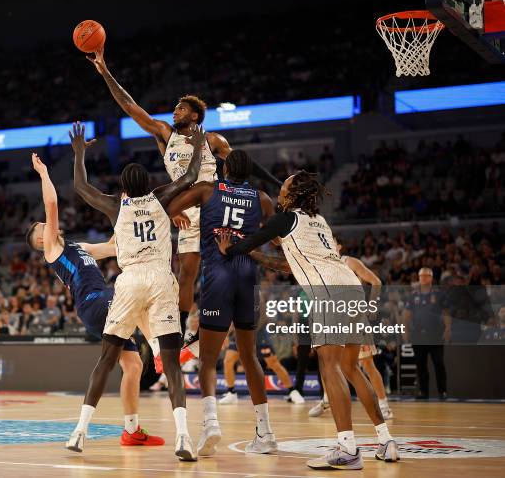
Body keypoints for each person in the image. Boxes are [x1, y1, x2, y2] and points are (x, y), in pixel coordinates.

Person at [86, 49, 281, 341]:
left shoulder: (214, 140)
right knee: (187, 273)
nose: (174, 111)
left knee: (230, 265)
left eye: (180, 108)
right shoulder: (165, 133)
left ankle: (287, 256)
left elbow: (243, 165)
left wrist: (274, 183)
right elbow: (130, 106)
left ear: (194, 114)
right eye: (175, 108)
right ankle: (179, 330)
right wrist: (105, 72)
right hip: (187, 208)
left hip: (217, 202)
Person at [216, 170, 399, 469]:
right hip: (351, 288)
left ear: (292, 194)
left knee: (330, 368)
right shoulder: (319, 222)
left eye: (285, 186)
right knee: (352, 368)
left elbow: (247, 245)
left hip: (328, 292)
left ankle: (347, 448)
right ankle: (386, 440)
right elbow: (289, 265)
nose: (280, 190)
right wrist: (261, 254)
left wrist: (230, 249)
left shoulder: (285, 220)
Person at [72, 121, 205, 461]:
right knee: (171, 364)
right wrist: (199, 143)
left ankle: (79, 432)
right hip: (160, 279)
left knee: (106, 359)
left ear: (124, 188)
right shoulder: (161, 199)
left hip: (129, 281)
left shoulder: (117, 206)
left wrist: (79, 153)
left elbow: (81, 187)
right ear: (148, 183)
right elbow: (190, 177)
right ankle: (184, 438)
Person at [25, 151, 164, 452]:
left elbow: (116, 246)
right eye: (41, 228)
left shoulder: (78, 247)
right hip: (94, 302)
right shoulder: (52, 250)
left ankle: (124, 431)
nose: (46, 226)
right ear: (40, 241)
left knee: (132, 365)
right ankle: (159, 349)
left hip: (100, 307)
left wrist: (130, 206)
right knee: (134, 289)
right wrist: (44, 173)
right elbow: (51, 204)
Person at [166, 149, 277, 456]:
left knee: (208, 359)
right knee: (249, 356)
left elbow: (169, 206)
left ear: (225, 169)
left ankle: (211, 423)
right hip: (247, 281)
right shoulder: (263, 199)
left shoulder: (207, 189)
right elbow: (278, 235)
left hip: (218, 278)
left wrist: (177, 213)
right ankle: (265, 432)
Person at [309, 237, 394, 419]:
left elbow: (376, 282)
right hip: (333, 319)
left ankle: (384, 404)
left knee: (367, 364)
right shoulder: (324, 266)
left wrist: (372, 306)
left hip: (354, 319)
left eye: (331, 241)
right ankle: (327, 400)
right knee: (327, 362)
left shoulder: (350, 262)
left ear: (339, 246)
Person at [403, 267, 450, 400]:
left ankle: (443, 391)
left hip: (435, 334)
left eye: (426, 276)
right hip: (418, 335)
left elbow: (446, 313)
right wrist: (405, 329)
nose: (423, 278)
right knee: (420, 364)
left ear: (431, 278)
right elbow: (407, 315)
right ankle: (423, 392)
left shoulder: (439, 294)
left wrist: (448, 329)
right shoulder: (413, 295)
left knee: (439, 363)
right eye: (421, 276)